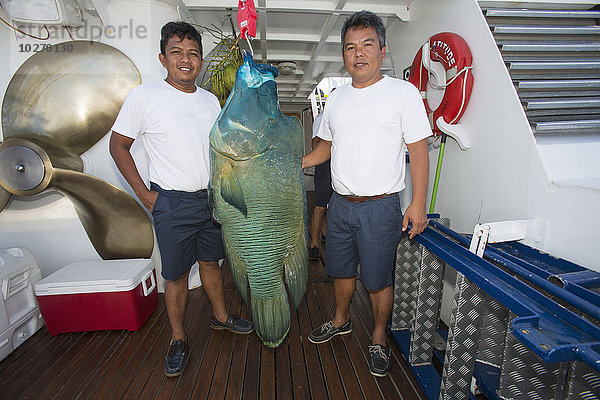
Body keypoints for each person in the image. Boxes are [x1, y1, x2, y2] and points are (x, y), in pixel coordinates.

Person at [109, 21, 253, 378]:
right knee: (174, 276)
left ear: (201, 61)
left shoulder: (209, 100)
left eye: (192, 53)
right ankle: (177, 338)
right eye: (177, 52)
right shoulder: (144, 97)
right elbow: (118, 145)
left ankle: (220, 317)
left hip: (210, 201)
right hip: (170, 202)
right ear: (163, 57)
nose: (185, 59)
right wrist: (145, 194)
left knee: (211, 262)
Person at [302, 11, 430, 377]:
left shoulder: (402, 93)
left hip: (381, 206)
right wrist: (294, 163)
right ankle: (340, 319)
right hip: (340, 205)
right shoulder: (337, 99)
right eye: (350, 48)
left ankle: (377, 337)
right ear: (343, 54)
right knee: (340, 271)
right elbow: (325, 147)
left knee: (377, 279)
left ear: (382, 50)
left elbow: (419, 151)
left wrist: (417, 205)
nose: (358, 54)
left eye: (367, 45)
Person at [308, 110, 333, 260]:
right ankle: (314, 244)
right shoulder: (323, 117)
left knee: (337, 205)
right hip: (325, 166)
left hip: (341, 166)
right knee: (321, 206)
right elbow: (315, 143)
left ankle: (328, 236)